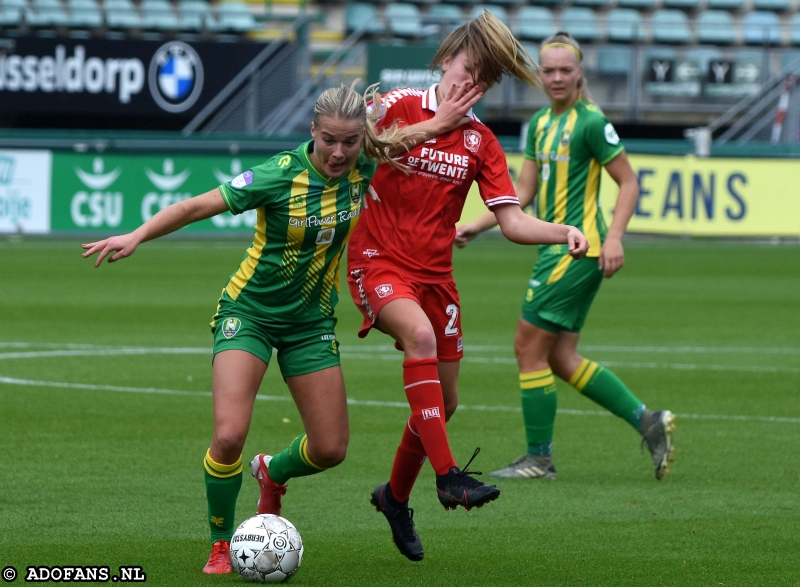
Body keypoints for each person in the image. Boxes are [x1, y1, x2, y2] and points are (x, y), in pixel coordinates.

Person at [81, 82, 422, 575]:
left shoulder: (366, 163)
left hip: (311, 323)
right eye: (329, 139)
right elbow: (197, 206)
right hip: (250, 314)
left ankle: (272, 471)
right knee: (229, 435)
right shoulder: (278, 175)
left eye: (350, 142)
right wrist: (137, 234)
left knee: (330, 449)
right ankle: (222, 543)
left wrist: (451, 109)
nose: (339, 152)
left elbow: (415, 137)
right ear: (313, 131)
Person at [346, 13, 590, 562]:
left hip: (436, 278)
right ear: (446, 59)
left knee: (446, 401)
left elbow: (512, 221)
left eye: (482, 80)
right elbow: (354, 147)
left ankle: (394, 497)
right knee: (420, 341)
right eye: (465, 70)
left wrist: (563, 231)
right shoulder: (398, 105)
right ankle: (448, 476)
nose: (468, 85)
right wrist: (433, 127)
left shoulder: (481, 140)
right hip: (377, 261)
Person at [456, 31, 675, 483]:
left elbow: (629, 183)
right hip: (554, 249)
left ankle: (539, 458)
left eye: (565, 70)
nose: (556, 78)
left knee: (526, 347)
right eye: (548, 70)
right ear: (539, 75)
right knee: (561, 358)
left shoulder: (591, 122)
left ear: (580, 75)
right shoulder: (538, 124)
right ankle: (647, 421)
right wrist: (476, 226)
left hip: (578, 249)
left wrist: (614, 237)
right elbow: (523, 193)